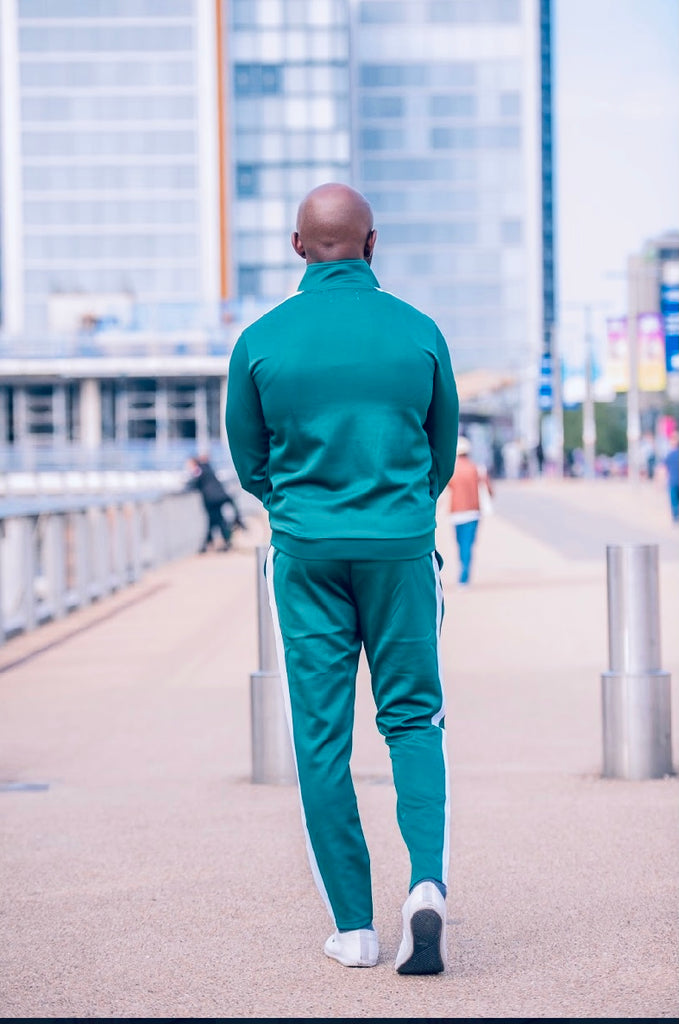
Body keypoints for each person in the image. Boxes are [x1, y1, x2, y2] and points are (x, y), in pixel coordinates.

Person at [225, 183, 459, 974]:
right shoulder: (418, 332)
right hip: (397, 547)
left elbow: (249, 460)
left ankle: (354, 929)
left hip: (305, 552)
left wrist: (300, 509)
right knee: (413, 719)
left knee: (321, 736)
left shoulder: (258, 340)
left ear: (298, 247)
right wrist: (394, 511)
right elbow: (440, 445)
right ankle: (424, 884)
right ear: (371, 243)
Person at [446, 435, 493, 585]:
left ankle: (463, 571)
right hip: (473, 512)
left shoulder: (452, 470)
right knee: (468, 544)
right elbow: (489, 490)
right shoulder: (476, 468)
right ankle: (465, 575)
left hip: (456, 512)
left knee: (460, 543)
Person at [185, 455, 245, 553]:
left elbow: (195, 482)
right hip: (221, 496)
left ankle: (211, 544)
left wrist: (186, 486)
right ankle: (215, 543)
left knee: (216, 521)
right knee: (216, 521)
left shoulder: (199, 469)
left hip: (213, 500)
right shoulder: (207, 467)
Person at [664, 430, 679, 524]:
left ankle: (675, 517)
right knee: (674, 501)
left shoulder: (669, 455)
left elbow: (663, 470)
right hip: (673, 481)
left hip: (673, 481)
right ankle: (675, 517)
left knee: (674, 501)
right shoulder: (669, 455)